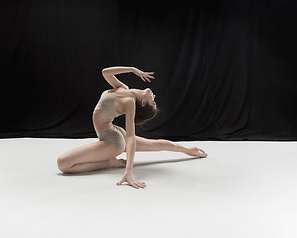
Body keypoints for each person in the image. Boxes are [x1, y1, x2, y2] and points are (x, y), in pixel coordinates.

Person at [57, 66, 208, 189]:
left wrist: (129, 171)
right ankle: (189, 151)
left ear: (143, 103)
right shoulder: (123, 88)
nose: (155, 97)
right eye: (155, 102)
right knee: (156, 144)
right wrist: (133, 69)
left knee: (63, 164)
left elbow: (130, 137)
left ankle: (110, 162)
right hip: (114, 131)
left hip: (112, 141)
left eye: (153, 102)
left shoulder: (129, 101)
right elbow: (105, 72)